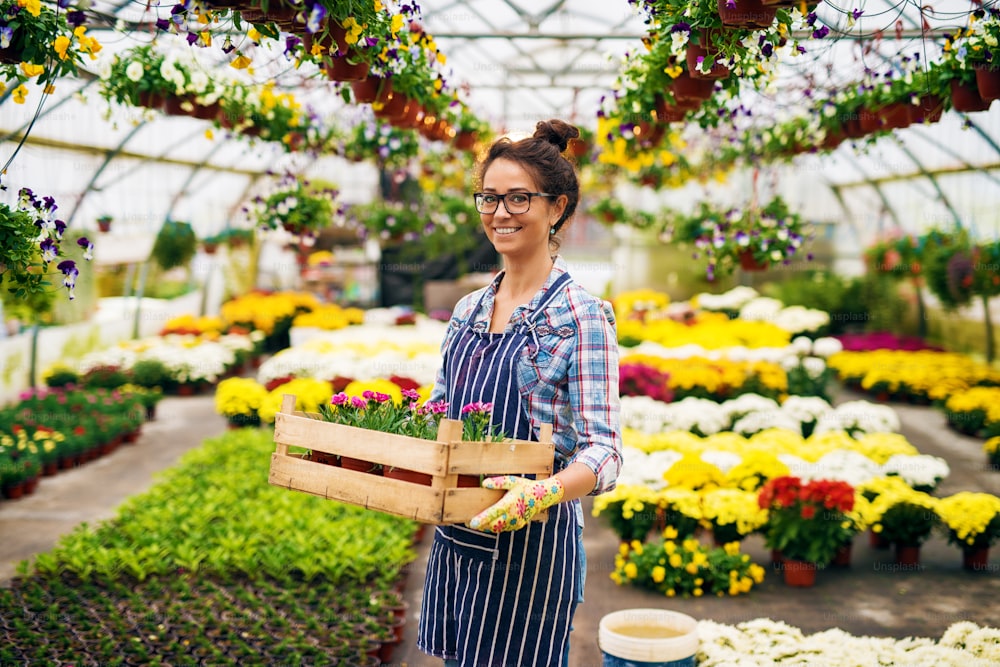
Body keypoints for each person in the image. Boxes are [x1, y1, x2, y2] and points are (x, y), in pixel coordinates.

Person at [417, 119, 622, 667]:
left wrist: (544, 492)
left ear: (556, 208)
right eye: (489, 197)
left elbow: (605, 451)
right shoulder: (468, 310)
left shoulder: (583, 316)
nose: (499, 213)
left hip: (531, 548)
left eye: (518, 199)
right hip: (457, 534)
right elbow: (440, 412)